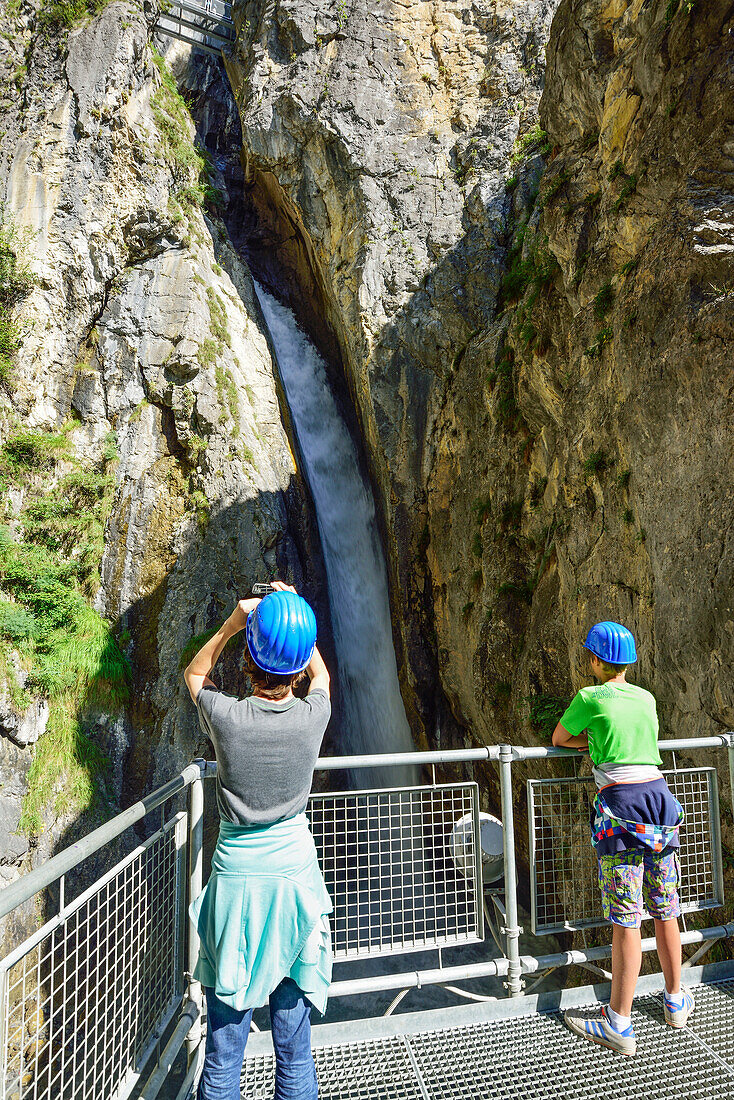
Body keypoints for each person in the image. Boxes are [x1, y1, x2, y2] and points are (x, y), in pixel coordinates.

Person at [183, 580, 332, 1100]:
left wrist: (234, 622)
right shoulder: (315, 716)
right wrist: (295, 617)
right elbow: (323, 676)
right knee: (294, 1051)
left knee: (224, 1054)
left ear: (251, 655)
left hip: (238, 886)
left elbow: (196, 673)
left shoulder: (228, 719)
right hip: (294, 881)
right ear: (295, 667)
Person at [551, 621, 693, 1056]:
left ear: (595, 660)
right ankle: (674, 1001)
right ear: (629, 662)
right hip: (659, 799)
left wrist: (587, 743)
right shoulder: (646, 697)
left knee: (626, 917)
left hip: (621, 807)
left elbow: (558, 737)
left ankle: (618, 1023)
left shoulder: (589, 697)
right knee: (666, 907)